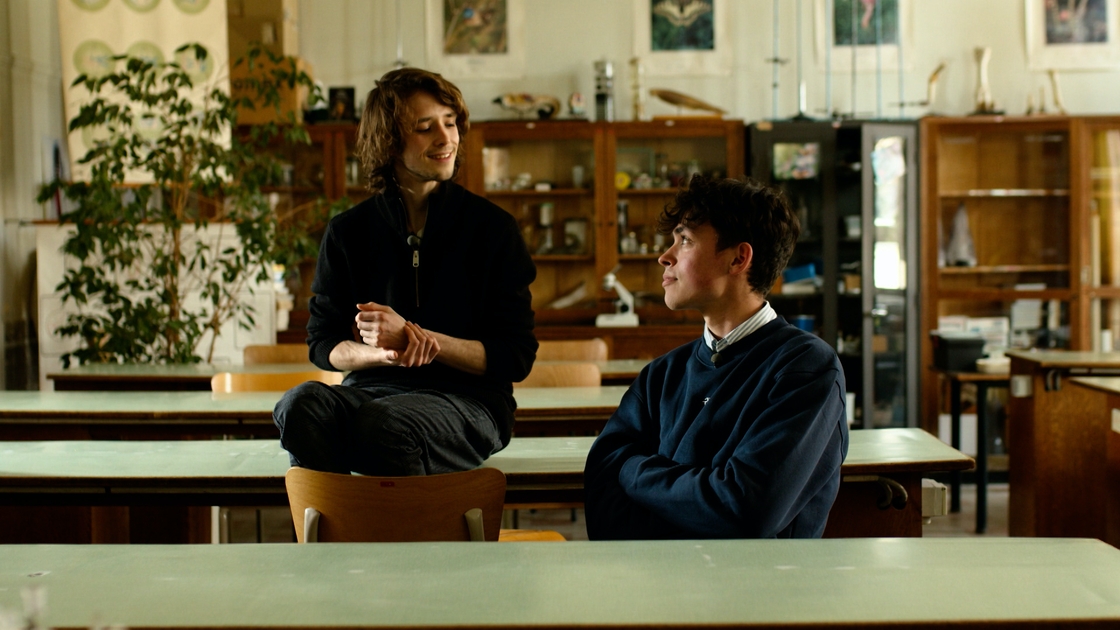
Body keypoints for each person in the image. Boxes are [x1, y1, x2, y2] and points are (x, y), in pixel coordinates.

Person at [273, 67, 537, 476]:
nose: (446, 138)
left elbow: (515, 357)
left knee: (384, 424)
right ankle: (332, 517)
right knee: (298, 406)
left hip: (470, 403)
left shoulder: (493, 229)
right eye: (425, 128)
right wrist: (385, 354)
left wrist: (420, 338)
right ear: (389, 141)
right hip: (372, 392)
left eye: (450, 123)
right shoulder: (347, 232)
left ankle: (377, 519)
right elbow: (323, 344)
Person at [584, 175, 848, 539]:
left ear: (739, 258)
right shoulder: (662, 374)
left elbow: (743, 509)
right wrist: (698, 498)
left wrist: (633, 471)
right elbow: (601, 491)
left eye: (686, 241)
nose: (665, 256)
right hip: (656, 575)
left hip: (758, 576)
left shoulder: (806, 368)